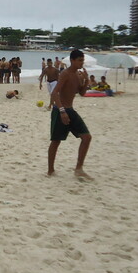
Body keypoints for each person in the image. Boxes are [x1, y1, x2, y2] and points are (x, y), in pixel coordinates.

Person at [48, 49, 93, 180]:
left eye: (83, 60)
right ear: (72, 60)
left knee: (86, 137)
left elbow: (82, 93)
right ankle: (50, 170)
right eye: (79, 60)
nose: (82, 63)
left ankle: (79, 169)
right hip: (60, 110)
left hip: (71, 110)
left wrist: (86, 81)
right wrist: (62, 111)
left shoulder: (78, 75)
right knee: (55, 141)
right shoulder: (65, 74)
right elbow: (55, 93)